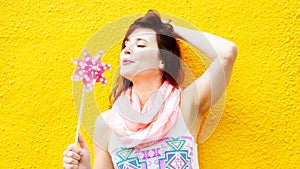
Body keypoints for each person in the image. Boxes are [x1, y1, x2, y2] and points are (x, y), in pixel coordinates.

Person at [63, 10, 237, 169]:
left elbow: (227, 53)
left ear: (162, 60)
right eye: (125, 45)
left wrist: (171, 29)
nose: (127, 50)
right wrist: (84, 168)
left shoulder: (186, 105)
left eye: (141, 45)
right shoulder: (107, 124)